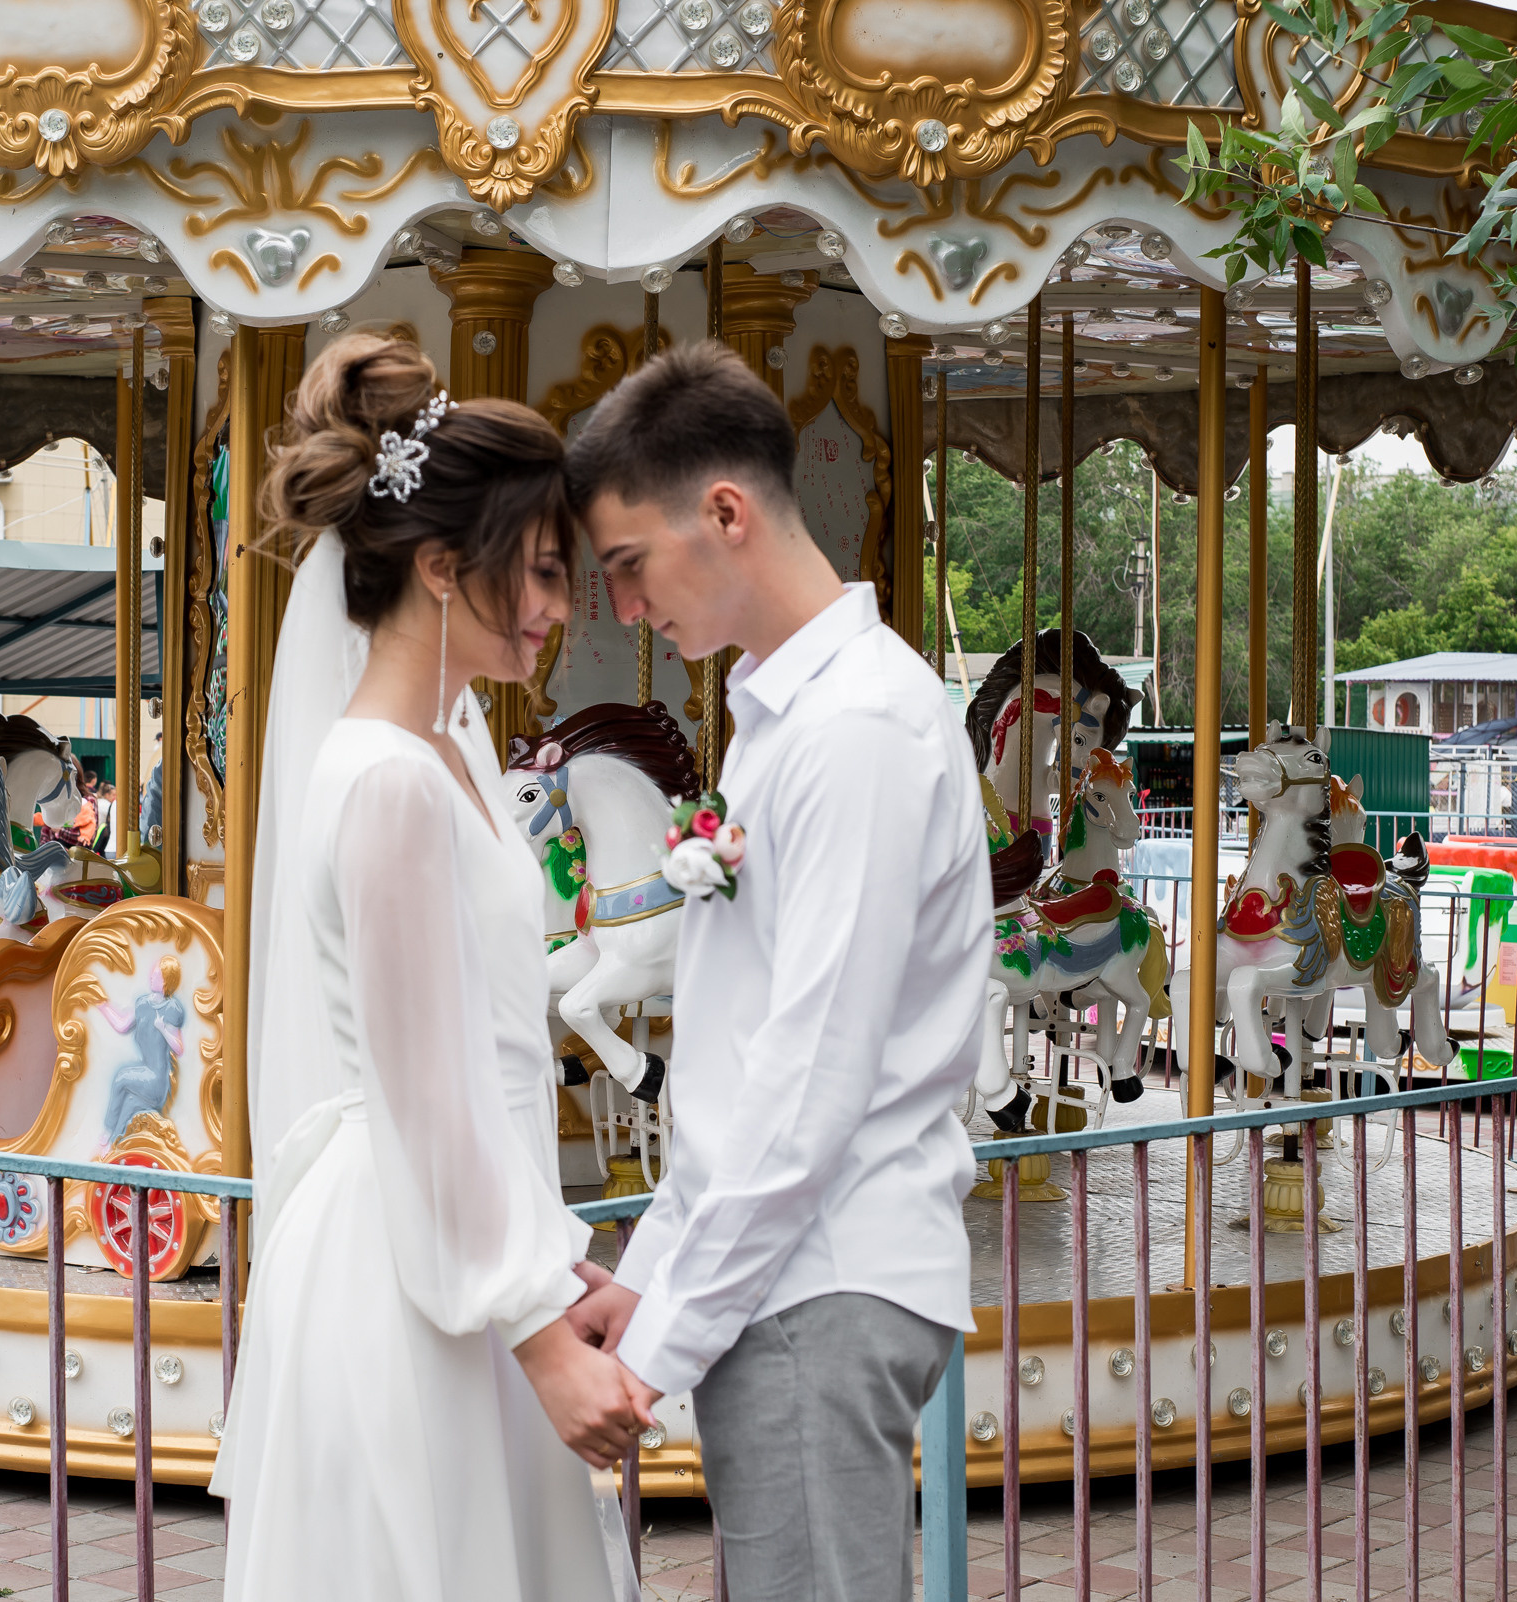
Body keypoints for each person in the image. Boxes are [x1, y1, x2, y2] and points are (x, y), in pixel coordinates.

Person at [210, 334, 649, 1602]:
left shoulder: (451, 746)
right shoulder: (390, 780)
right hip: (418, 1277)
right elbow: (424, 1088)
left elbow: (489, 1052)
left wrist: (556, 1264)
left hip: (475, 1249)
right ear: (445, 568)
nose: (563, 608)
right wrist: (534, 1328)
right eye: (544, 571)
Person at [560, 342, 1000, 1602]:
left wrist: (657, 1350)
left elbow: (811, 1085)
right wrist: (644, 1282)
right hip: (794, 1272)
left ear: (727, 513)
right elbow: (743, 1074)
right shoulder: (787, 719)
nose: (630, 611)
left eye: (631, 567)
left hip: (823, 1278)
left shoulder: (855, 727)